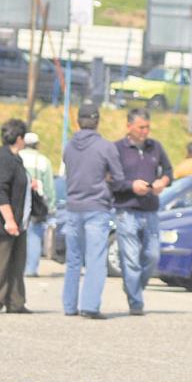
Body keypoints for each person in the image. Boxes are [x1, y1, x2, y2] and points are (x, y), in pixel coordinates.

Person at [63, 102, 126, 320]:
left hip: (72, 207)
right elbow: (119, 178)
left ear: (79, 121)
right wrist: (107, 182)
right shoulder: (106, 147)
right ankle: (89, 306)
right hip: (96, 207)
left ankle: (69, 305)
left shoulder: (69, 146)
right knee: (95, 259)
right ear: (97, 121)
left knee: (73, 259)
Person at [113, 107, 173, 316]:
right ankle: (136, 303)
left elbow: (168, 171)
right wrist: (131, 186)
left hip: (150, 210)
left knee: (152, 255)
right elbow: (111, 181)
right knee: (130, 259)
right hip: (126, 211)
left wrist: (162, 182)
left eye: (147, 127)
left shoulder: (155, 147)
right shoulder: (117, 149)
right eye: (140, 127)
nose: (144, 131)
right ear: (129, 127)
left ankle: (133, 286)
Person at [0, 119, 32, 314]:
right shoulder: (4, 158)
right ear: (19, 138)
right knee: (1, 261)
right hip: (5, 219)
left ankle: (15, 302)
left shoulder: (16, 159)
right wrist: (9, 220)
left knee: (17, 261)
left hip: (18, 220)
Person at [19, 132, 56, 277]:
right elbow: (49, 187)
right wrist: (51, 206)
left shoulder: (17, 157)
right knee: (34, 237)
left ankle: (19, 267)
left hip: (19, 203)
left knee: (20, 237)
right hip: (36, 206)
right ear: (37, 144)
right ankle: (31, 269)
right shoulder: (43, 161)